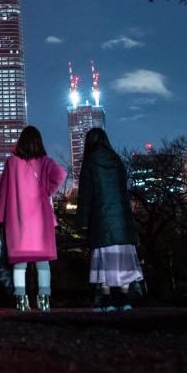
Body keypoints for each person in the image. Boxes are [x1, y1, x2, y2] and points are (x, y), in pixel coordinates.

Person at [0, 125, 67, 311]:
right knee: (43, 264)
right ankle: (44, 300)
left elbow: (3, 192)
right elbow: (61, 175)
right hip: (41, 222)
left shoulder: (12, 163)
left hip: (18, 220)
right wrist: (46, 191)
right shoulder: (46, 162)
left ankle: (20, 299)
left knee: (20, 265)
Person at [75, 127, 143, 311]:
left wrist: (81, 221)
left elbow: (85, 194)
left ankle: (106, 299)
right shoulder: (117, 161)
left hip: (101, 219)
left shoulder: (90, 162)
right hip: (122, 220)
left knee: (104, 261)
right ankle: (123, 298)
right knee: (122, 261)